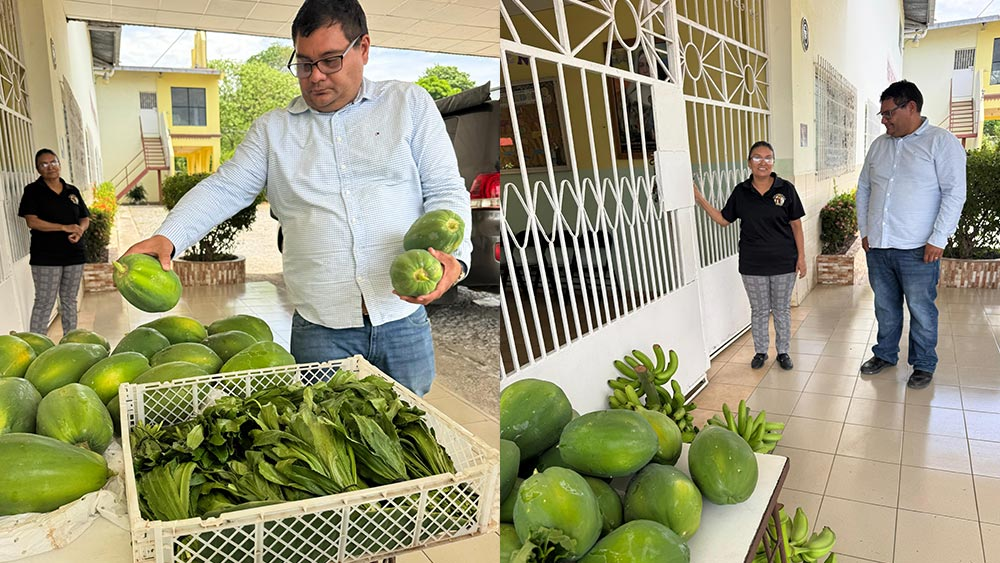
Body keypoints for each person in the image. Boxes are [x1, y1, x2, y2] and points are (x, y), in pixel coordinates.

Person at [123, 0, 471, 397]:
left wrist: (455, 261)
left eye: (330, 60)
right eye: (304, 65)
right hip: (320, 331)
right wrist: (169, 236)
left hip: (402, 320)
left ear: (364, 49)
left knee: (411, 437)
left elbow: (445, 190)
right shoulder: (273, 131)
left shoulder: (408, 105)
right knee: (321, 441)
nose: (316, 77)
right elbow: (226, 187)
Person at [856, 80, 966, 390]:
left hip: (919, 248)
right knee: (885, 307)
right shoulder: (879, 145)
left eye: (888, 113)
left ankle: (923, 364)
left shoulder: (940, 143)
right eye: (882, 114)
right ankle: (885, 354)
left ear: (911, 108)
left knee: (921, 309)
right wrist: (866, 230)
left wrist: (939, 238)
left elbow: (954, 193)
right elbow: (864, 188)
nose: (884, 119)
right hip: (879, 247)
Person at [693, 141, 806, 370]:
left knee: (782, 309)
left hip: (784, 262)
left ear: (773, 162)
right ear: (749, 163)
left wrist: (801, 257)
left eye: (768, 157)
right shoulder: (741, 192)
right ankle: (761, 352)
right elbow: (724, 220)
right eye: (757, 157)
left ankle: (783, 352)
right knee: (760, 310)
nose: (762, 162)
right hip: (752, 263)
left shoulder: (786, 189)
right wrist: (700, 199)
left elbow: (796, 225)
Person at [17, 149, 90, 335]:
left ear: (59, 164)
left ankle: (70, 342)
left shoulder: (71, 190)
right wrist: (64, 227)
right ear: (38, 169)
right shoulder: (33, 191)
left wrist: (79, 231)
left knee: (69, 300)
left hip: (74, 254)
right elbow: (31, 221)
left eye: (53, 162)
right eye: (44, 164)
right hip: (46, 256)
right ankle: (36, 345)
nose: (50, 167)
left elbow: (84, 218)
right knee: (44, 302)